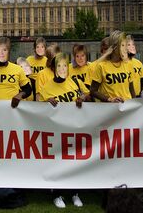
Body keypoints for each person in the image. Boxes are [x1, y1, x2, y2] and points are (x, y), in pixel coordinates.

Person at [37, 53, 87, 208]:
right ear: (53, 69)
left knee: (74, 162)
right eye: (59, 66)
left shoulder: (74, 82)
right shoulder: (47, 87)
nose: (63, 69)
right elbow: (39, 108)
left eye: (65, 65)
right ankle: (57, 195)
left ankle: (74, 193)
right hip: (57, 133)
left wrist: (82, 98)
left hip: (74, 129)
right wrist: (46, 103)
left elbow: (86, 93)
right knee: (58, 163)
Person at [90, 31, 135, 102]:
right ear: (114, 47)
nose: (126, 48)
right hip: (110, 109)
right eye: (122, 45)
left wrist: (134, 105)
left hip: (127, 108)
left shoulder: (129, 64)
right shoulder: (101, 66)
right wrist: (109, 99)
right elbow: (93, 91)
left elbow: (132, 90)